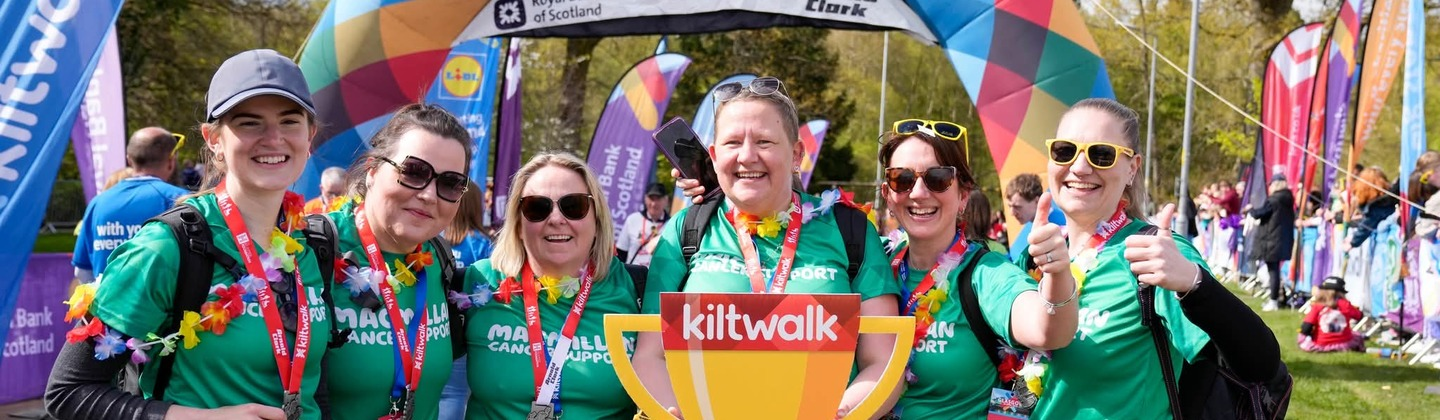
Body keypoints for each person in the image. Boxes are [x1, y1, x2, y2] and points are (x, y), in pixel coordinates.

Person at [47, 49, 331, 419]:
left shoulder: (310, 244)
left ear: (310, 135)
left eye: (289, 121)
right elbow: (69, 393)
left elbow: (313, 383)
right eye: (249, 123)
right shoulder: (167, 248)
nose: (274, 138)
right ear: (213, 139)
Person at [635, 77, 901, 417]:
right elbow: (649, 354)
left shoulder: (850, 231)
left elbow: (883, 362)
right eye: (732, 143)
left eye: (764, 141)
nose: (747, 156)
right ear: (714, 157)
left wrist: (839, 414)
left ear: (795, 155)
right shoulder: (685, 230)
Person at [1019, 98, 1282, 418]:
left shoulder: (1153, 256)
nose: (1079, 167)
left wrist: (1193, 284)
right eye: (1065, 150)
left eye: (1102, 154)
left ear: (1132, 168)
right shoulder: (1037, 256)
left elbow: (1259, 363)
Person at [877, 118, 1078, 417]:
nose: (918, 192)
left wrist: (1057, 272)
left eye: (938, 178)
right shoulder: (873, 264)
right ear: (888, 194)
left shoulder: (985, 274)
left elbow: (1047, 331)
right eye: (902, 179)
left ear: (963, 195)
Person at [459, 152, 640, 419]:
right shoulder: (478, 282)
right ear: (518, 224)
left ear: (597, 220)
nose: (556, 218)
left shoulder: (637, 289)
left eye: (574, 206)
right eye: (537, 207)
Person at [322, 103, 471, 419]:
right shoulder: (315, 250)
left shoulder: (440, 261)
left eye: (450, 183)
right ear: (373, 169)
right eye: (414, 172)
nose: (430, 194)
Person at [72, 127, 189, 283]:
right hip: (163, 306)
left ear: (129, 160)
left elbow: (82, 272)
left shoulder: (98, 203)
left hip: (106, 305)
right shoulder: (181, 200)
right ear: (171, 162)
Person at [438, 178, 493, 420]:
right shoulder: (484, 244)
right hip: (468, 330)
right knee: (455, 393)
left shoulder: (434, 239)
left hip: (432, 327)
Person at [1247, 175, 1296, 311]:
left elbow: (1260, 213)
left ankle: (1274, 300)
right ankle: (1275, 298)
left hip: (1272, 240)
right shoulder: (1288, 200)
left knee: (1273, 271)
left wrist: (1251, 209)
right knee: (1275, 271)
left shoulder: (1274, 200)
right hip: (1281, 239)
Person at [1005, 173, 1065, 262]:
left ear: (1037, 201)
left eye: (1017, 207)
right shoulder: (1028, 227)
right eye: (1010, 206)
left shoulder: (1062, 226)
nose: (1012, 213)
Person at [1298, 277, 1364, 352]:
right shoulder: (1346, 305)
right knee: (1356, 335)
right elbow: (1359, 316)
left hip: (1322, 344)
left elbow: (1306, 328)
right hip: (1344, 344)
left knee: (1302, 337)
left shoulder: (1317, 306)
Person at [616, 182, 670, 266]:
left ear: (666, 200)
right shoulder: (633, 219)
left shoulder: (671, 225)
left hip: (656, 277)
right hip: (631, 275)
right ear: (645, 198)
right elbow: (621, 252)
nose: (654, 204)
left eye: (658, 199)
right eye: (651, 198)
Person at [1348, 167, 1399, 249]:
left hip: (1384, 246)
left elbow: (1366, 226)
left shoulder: (1376, 205)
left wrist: (1352, 243)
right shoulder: (1389, 199)